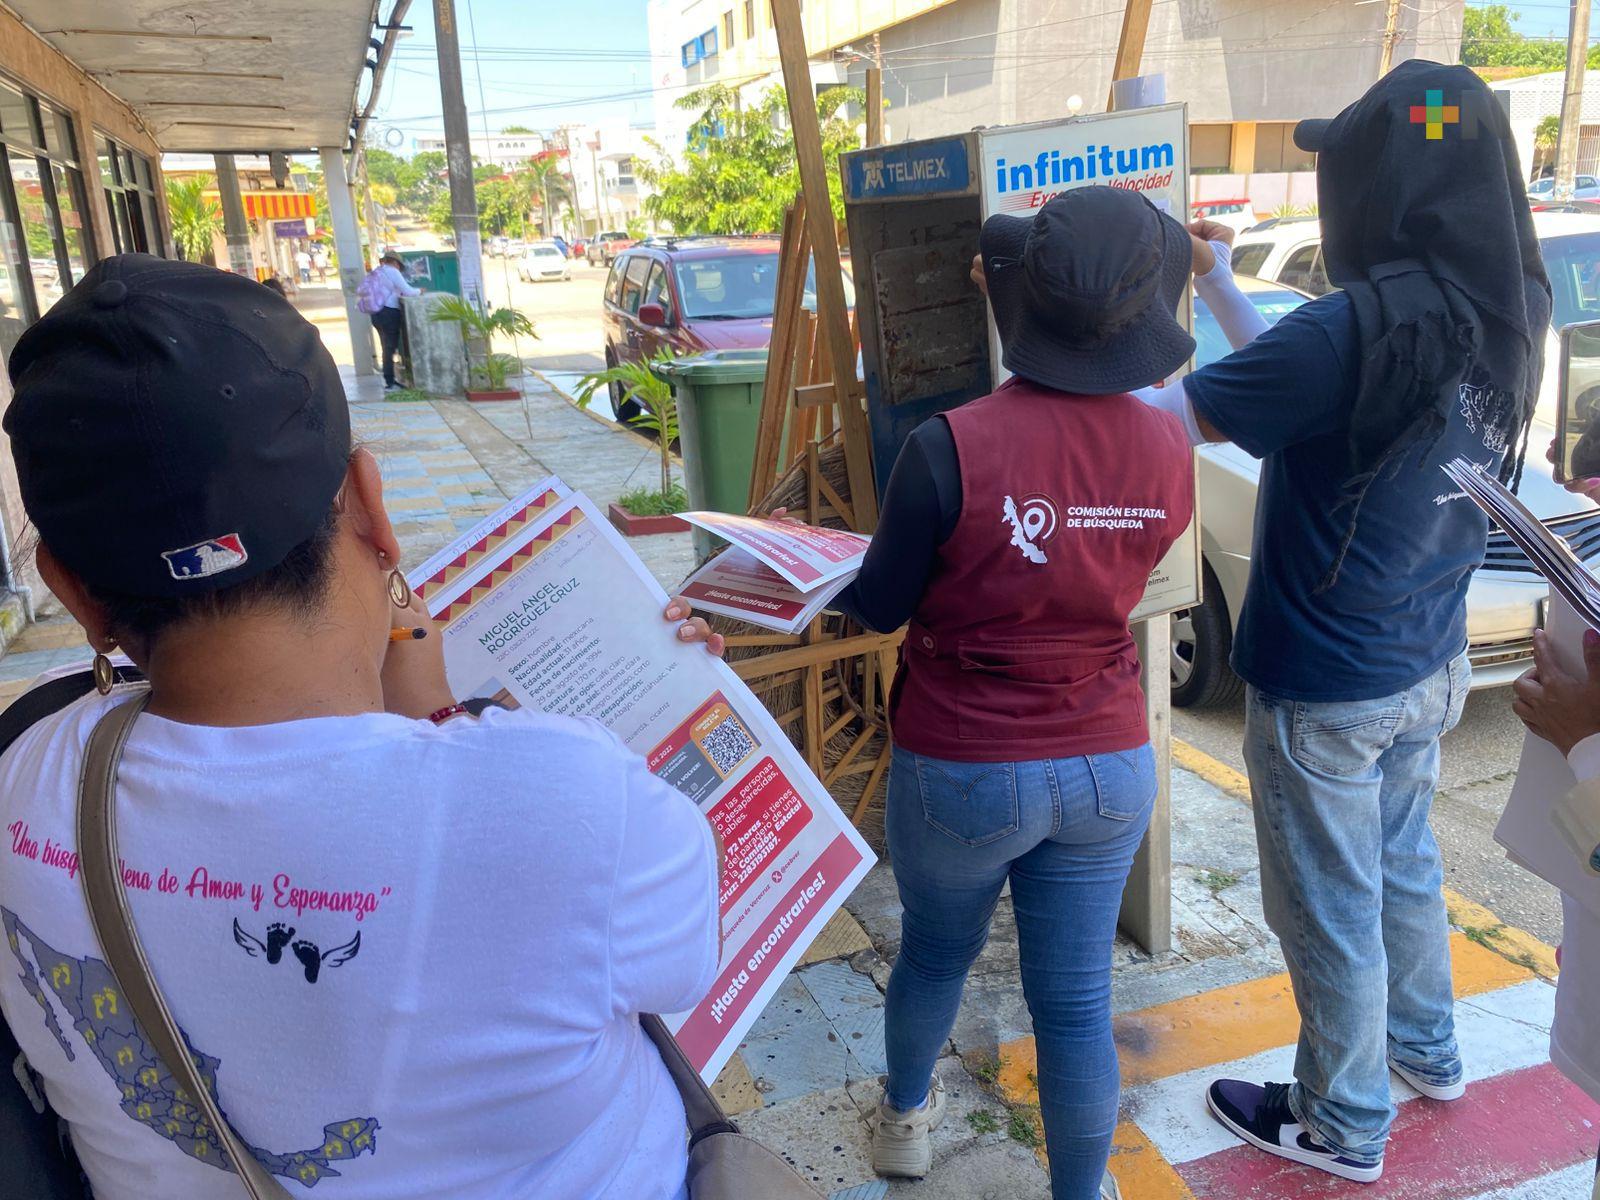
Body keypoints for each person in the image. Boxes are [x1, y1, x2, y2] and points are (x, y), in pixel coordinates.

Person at [0, 253, 727, 1200]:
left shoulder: (21, 781)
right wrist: (442, 720)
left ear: (70, 590)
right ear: (374, 508)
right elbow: (682, 968)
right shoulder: (568, 804)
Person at [1131, 61, 1551, 1182]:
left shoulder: (1354, 329)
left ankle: (1340, 1120)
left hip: (1325, 682)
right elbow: (1300, 378)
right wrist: (1222, 285)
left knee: (1328, 910)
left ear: (1377, 186)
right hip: (1426, 659)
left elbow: (1162, 423)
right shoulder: (1508, 306)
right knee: (1401, 869)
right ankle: (1427, 1051)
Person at [833, 187, 1198, 1200]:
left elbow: (880, 605)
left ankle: (905, 1123)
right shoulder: (1169, 445)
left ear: (1017, 303)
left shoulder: (945, 446)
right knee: (1075, 1005)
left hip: (966, 763)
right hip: (1108, 763)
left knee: (935, 957)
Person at [363, 252, 420, 391]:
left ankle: (389, 379)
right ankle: (389, 382)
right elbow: (408, 291)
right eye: (399, 266)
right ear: (395, 263)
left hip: (376, 313)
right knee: (389, 348)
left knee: (385, 347)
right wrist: (420, 291)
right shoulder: (392, 271)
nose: (399, 268)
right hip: (388, 312)